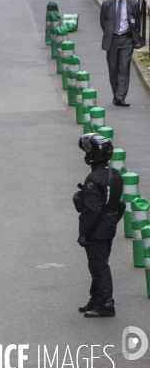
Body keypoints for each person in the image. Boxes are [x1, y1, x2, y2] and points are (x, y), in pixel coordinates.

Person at [73, 133, 124, 318]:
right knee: (99, 264)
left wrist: (83, 233)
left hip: (97, 231)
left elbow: (92, 211)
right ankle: (95, 300)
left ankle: (106, 305)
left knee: (99, 267)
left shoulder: (93, 179)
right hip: (109, 228)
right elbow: (120, 205)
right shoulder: (115, 174)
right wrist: (110, 223)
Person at [100, 0, 140, 107]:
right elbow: (103, 22)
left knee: (124, 67)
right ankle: (116, 93)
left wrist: (133, 37)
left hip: (126, 40)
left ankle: (120, 96)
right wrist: (109, 33)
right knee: (113, 68)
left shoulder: (133, 4)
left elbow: (137, 22)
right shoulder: (107, 4)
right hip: (112, 40)